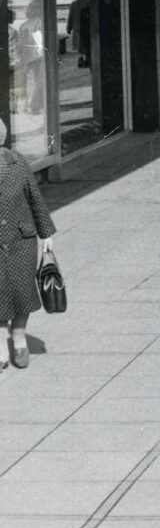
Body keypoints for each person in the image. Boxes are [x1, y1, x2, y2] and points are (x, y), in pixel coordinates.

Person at [0, 117, 57, 371]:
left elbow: (35, 198)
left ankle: (19, 337)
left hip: (21, 239)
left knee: (23, 291)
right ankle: (1, 344)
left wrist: (46, 233)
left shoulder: (17, 162)